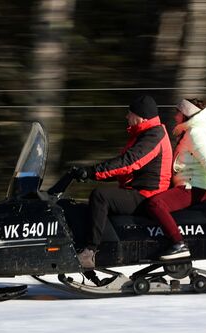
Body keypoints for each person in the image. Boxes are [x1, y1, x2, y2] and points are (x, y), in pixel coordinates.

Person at [73, 95, 173, 269]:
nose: (127, 117)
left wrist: (93, 171)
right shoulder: (145, 134)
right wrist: (90, 174)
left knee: (100, 196)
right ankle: (90, 246)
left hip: (148, 195)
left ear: (141, 116)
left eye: (130, 113)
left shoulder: (154, 135)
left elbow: (129, 162)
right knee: (86, 205)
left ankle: (90, 252)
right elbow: (126, 169)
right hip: (138, 190)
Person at [145, 98, 206, 260]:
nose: (175, 116)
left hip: (195, 186)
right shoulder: (190, 132)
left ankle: (179, 244)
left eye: (178, 112)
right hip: (190, 184)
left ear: (186, 114)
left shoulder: (196, 133)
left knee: (156, 204)